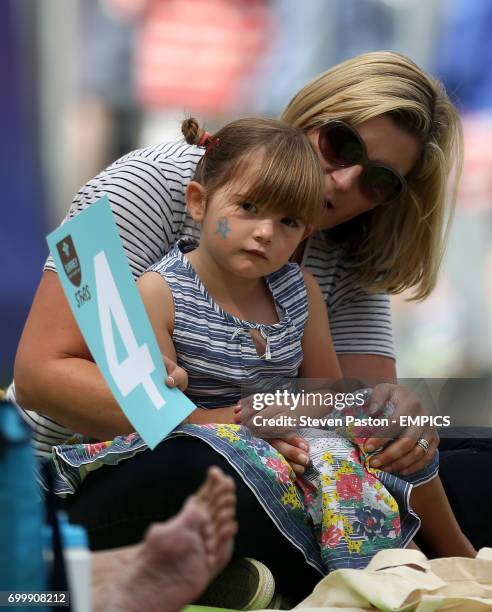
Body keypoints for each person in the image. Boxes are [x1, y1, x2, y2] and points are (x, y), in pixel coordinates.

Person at [10, 51, 474, 600]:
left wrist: (402, 427)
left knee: (470, 467)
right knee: (208, 465)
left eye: (379, 181)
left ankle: (252, 573)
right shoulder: (148, 181)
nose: (346, 181)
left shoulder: (353, 248)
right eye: (341, 145)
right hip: (95, 471)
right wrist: (235, 424)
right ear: (308, 115)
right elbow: (41, 375)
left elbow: (351, 405)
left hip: (283, 458)